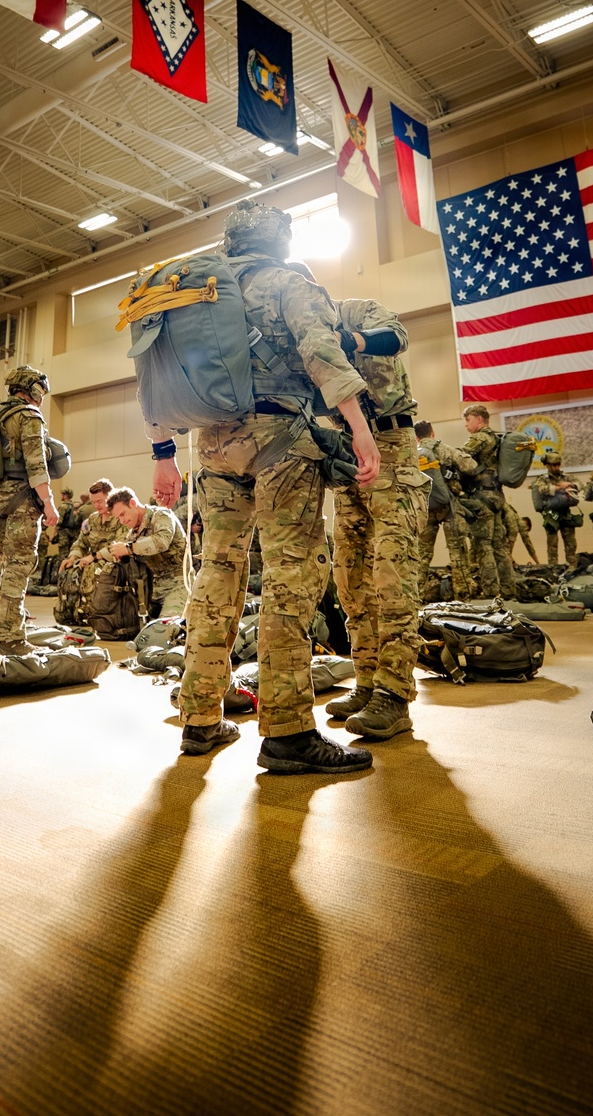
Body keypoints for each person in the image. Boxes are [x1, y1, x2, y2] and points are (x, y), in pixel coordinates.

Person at [151, 200, 378, 774]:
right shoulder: (287, 282)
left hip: (213, 446)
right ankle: (288, 730)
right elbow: (323, 354)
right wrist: (359, 430)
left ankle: (199, 718)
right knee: (291, 578)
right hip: (283, 442)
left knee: (218, 572)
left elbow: (159, 373)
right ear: (280, 242)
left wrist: (163, 455)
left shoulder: (194, 292)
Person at [323, 298, 429, 741]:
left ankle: (395, 692)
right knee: (350, 579)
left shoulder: (356, 312)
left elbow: (396, 338)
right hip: (345, 454)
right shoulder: (299, 330)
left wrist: (347, 340)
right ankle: (367, 680)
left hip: (393, 443)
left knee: (392, 573)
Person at [0, 366, 60, 656]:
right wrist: (48, 501)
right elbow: (36, 463)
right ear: (34, 389)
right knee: (18, 566)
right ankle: (10, 637)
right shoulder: (28, 416)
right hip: (19, 499)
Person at [414, 418, 478, 601]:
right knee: (458, 553)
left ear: (417, 438)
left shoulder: (414, 454)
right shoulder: (445, 450)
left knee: (422, 556)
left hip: (426, 510)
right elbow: (471, 467)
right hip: (450, 507)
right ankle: (463, 599)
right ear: (432, 432)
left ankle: (416, 600)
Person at [460, 407, 517, 598]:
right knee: (499, 546)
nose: (466, 424)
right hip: (496, 496)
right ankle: (509, 590)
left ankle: (491, 593)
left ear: (479, 419)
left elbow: (460, 458)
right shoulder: (497, 438)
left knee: (483, 546)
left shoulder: (481, 438)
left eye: (468, 420)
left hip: (481, 498)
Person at [107, 486, 187, 619]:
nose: (122, 521)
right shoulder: (132, 535)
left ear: (133, 503)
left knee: (165, 630)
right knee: (128, 626)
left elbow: (161, 542)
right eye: (118, 518)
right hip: (152, 591)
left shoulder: (161, 515)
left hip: (178, 585)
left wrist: (129, 549)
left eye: (123, 514)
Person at [58, 479, 117, 621]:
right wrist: (72, 557)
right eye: (94, 501)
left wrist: (94, 557)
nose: (97, 505)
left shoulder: (120, 517)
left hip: (114, 563)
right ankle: (72, 613)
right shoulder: (92, 520)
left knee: (92, 570)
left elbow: (120, 545)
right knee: (67, 569)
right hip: (92, 561)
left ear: (111, 497)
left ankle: (93, 613)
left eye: (101, 501)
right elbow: (81, 543)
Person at [531, 452, 582, 565]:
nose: (556, 467)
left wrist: (570, 485)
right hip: (551, 515)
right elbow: (541, 489)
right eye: (553, 465)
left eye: (558, 465)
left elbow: (580, 484)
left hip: (565, 514)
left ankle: (572, 569)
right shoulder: (543, 478)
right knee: (552, 546)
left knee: (571, 545)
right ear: (548, 466)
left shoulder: (566, 477)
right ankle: (553, 570)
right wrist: (558, 488)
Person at [54, 488, 82, 562]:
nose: (61, 496)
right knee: (72, 555)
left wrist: (54, 533)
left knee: (63, 555)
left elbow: (59, 522)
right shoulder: (75, 506)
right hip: (74, 533)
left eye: (61, 495)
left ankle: (61, 572)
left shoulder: (63, 507)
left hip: (64, 534)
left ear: (65, 496)